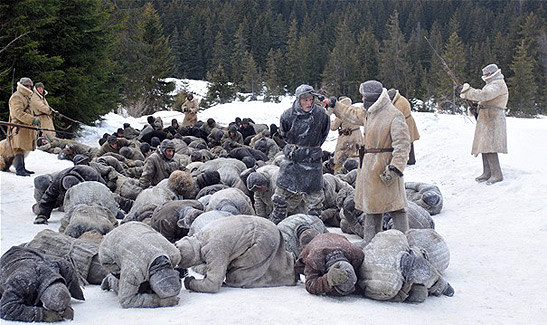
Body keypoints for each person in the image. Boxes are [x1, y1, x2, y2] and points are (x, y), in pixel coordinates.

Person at [327, 80, 410, 245]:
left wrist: (395, 169)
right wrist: (335, 105)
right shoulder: (370, 112)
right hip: (370, 168)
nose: (362, 99)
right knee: (372, 208)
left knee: (396, 207)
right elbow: (352, 113)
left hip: (385, 168)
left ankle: (405, 241)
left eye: (364, 96)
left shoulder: (394, 115)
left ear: (371, 97)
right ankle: (371, 242)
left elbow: (402, 145)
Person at [176, 215, 296, 293]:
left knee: (237, 279)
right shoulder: (201, 235)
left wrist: (191, 283)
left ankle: (287, 275)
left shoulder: (211, 248)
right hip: (262, 226)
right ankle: (286, 263)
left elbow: (212, 285)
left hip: (262, 235)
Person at [270, 84, 330, 224]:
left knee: (315, 202)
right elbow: (284, 134)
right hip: (292, 160)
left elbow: (323, 134)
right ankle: (276, 226)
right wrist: (295, 148)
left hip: (312, 161)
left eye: (311, 99)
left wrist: (310, 149)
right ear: (298, 99)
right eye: (305, 100)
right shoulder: (287, 115)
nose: (308, 103)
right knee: (280, 198)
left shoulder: (321, 114)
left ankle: (316, 230)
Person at [99, 222, 181, 308]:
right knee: (140, 289)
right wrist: (158, 301)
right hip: (108, 246)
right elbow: (126, 300)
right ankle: (111, 281)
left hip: (137, 226)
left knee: (140, 283)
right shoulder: (134, 269)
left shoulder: (174, 253)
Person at [0, 245, 84, 322]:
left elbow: (74, 288)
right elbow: (5, 308)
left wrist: (67, 305)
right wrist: (43, 315)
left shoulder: (63, 267)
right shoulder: (21, 281)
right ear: (43, 302)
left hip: (32, 252)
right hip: (8, 260)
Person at [460, 63, 508, 185]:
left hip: (493, 118)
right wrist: (475, 108)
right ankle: (487, 172)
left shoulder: (497, 84)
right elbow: (484, 99)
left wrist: (468, 91)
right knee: (484, 146)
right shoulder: (491, 84)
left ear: (492, 74)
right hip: (487, 118)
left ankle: (496, 174)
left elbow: (484, 95)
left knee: (491, 146)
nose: (484, 76)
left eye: (486, 74)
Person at [295, 231, 364, 296]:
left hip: (338, 239)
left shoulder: (357, 254)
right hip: (317, 243)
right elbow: (310, 284)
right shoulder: (315, 258)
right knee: (298, 268)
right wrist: (328, 280)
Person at [7, 77, 40, 176]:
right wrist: (32, 119)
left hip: (24, 126)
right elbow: (18, 113)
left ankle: (22, 168)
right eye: (27, 85)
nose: (29, 87)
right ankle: (19, 169)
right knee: (18, 147)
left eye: (30, 85)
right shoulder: (17, 97)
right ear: (22, 86)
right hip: (18, 127)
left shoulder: (25, 96)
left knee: (22, 147)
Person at [330, 97, 362, 173]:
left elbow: (333, 127)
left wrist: (331, 122)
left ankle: (339, 176)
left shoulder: (342, 112)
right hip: (358, 137)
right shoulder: (355, 110)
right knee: (357, 157)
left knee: (339, 159)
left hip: (346, 139)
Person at [388, 89, 420, 165]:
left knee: (407, 141)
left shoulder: (399, 103)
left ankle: (411, 160)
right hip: (407, 121)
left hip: (406, 122)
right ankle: (411, 159)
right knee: (409, 141)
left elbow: (396, 113)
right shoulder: (400, 99)